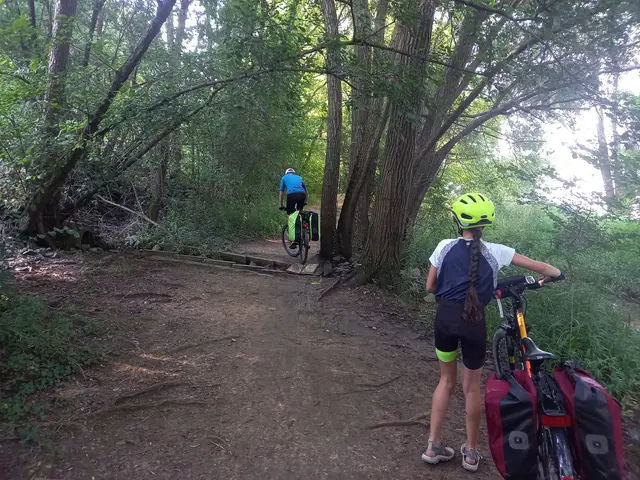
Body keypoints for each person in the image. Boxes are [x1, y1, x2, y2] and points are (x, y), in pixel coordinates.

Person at [421, 192, 562, 472]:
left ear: (458, 221)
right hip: (474, 322)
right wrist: (556, 273)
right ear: (486, 224)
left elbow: (430, 287)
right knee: (471, 387)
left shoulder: (444, 247)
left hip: (445, 319)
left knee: (445, 382)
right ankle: (471, 454)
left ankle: (432, 446)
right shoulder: (498, 251)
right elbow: (541, 267)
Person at [279, 168, 307, 248]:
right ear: (293, 173)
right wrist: (305, 201)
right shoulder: (299, 177)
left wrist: (281, 205)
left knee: (291, 215)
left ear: (286, 173)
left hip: (291, 195)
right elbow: (306, 190)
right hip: (302, 195)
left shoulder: (284, 178)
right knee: (300, 213)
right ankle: (303, 231)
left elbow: (281, 193)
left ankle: (293, 240)